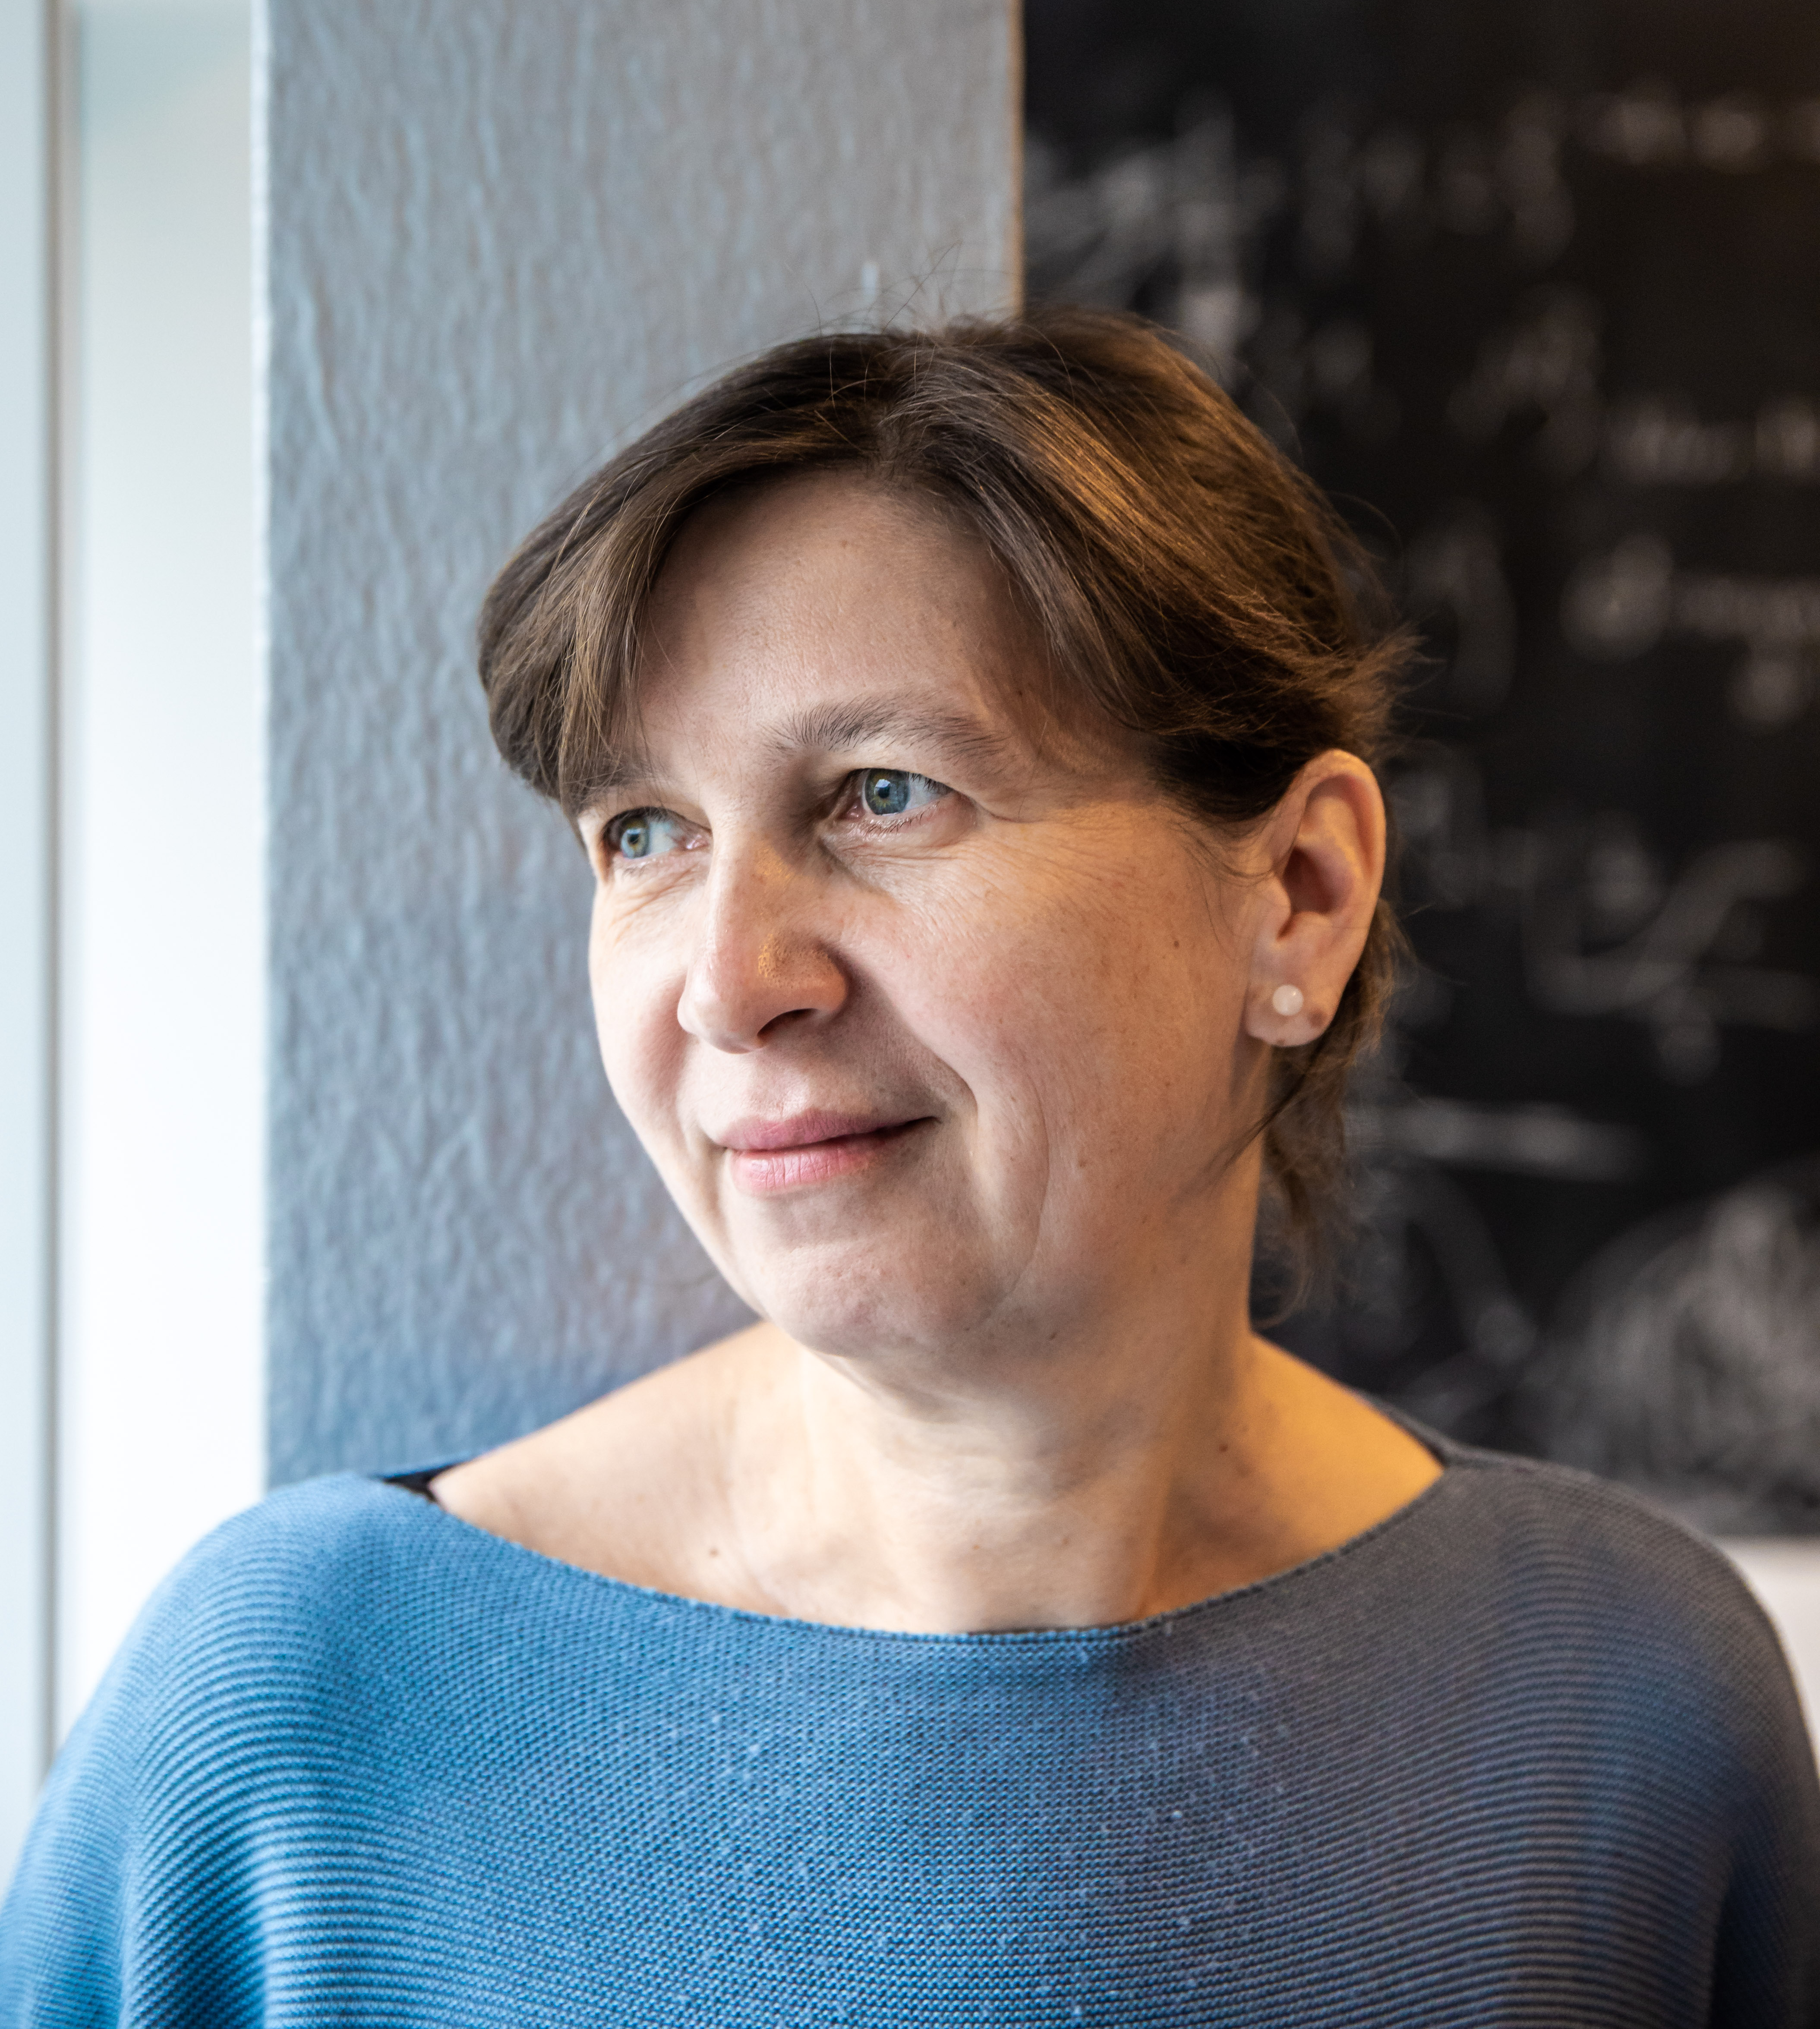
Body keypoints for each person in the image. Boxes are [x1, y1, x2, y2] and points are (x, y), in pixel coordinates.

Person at [4, 310, 1815, 2026]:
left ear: (1296, 895)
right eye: (645, 833)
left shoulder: (1628, 1703)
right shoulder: (301, 1706)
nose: (728, 982)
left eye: (883, 793)